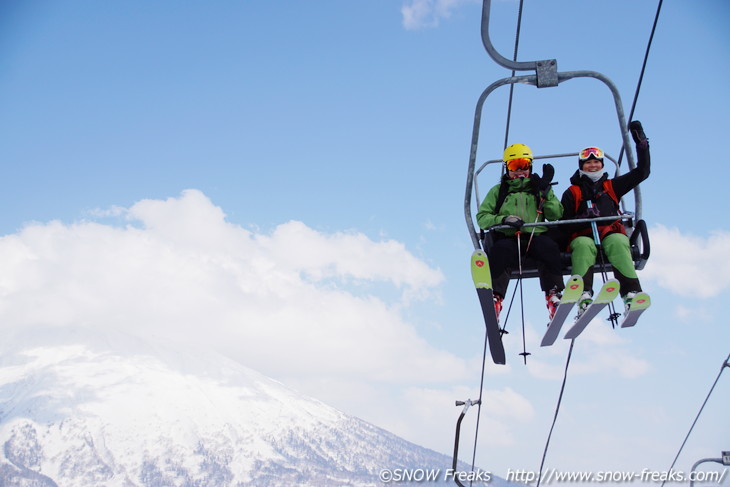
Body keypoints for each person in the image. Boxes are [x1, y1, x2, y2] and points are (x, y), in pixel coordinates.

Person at [560, 121, 650, 316]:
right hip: (583, 235)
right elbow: (563, 222)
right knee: (583, 246)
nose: (593, 166)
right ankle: (583, 294)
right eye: (588, 162)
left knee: (619, 241)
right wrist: (582, 218)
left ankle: (631, 293)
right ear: (582, 166)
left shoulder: (612, 186)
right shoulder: (572, 192)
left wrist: (642, 146)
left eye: (596, 162)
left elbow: (642, 172)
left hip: (609, 232)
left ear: (602, 164)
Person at [476, 143, 565, 322]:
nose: (519, 171)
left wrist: (545, 192)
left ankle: (553, 295)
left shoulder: (539, 189)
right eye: (513, 166)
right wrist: (503, 220)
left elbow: (556, 214)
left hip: (536, 235)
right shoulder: (499, 191)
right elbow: (482, 217)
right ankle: (496, 298)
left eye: (523, 165)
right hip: (509, 237)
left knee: (548, 247)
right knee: (501, 250)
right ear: (507, 169)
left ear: (530, 167)